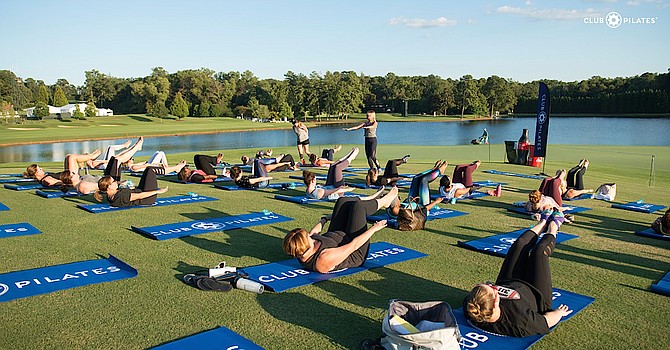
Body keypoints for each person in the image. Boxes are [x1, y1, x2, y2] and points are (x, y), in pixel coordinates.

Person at [463, 210, 573, 337]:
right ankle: (554, 226)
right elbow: (547, 321)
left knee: (519, 245)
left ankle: (543, 222)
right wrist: (559, 312)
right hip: (536, 293)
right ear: (497, 300)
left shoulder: (471, 305)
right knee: (539, 252)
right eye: (493, 287)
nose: (493, 285)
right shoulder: (519, 322)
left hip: (511, 282)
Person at [282, 186, 399, 273]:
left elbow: (314, 233)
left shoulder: (305, 247)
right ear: (306, 245)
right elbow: (353, 246)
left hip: (337, 236)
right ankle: (385, 201)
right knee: (358, 208)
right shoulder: (322, 259)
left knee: (342, 201)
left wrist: (324, 219)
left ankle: (372, 198)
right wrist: (374, 228)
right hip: (355, 251)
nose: (309, 235)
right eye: (307, 237)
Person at [23, 149, 108, 187]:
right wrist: (71, 181)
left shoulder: (43, 177)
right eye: (39, 169)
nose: (42, 169)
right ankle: (91, 157)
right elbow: (58, 183)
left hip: (67, 174)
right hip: (71, 177)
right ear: (37, 173)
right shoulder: (46, 180)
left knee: (68, 157)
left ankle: (90, 160)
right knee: (72, 158)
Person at [94, 167, 169, 207]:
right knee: (150, 170)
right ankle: (175, 168)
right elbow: (140, 196)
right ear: (109, 187)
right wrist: (158, 191)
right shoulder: (121, 196)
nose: (116, 181)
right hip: (147, 198)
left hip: (140, 190)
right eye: (113, 181)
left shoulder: (110, 195)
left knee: (147, 170)